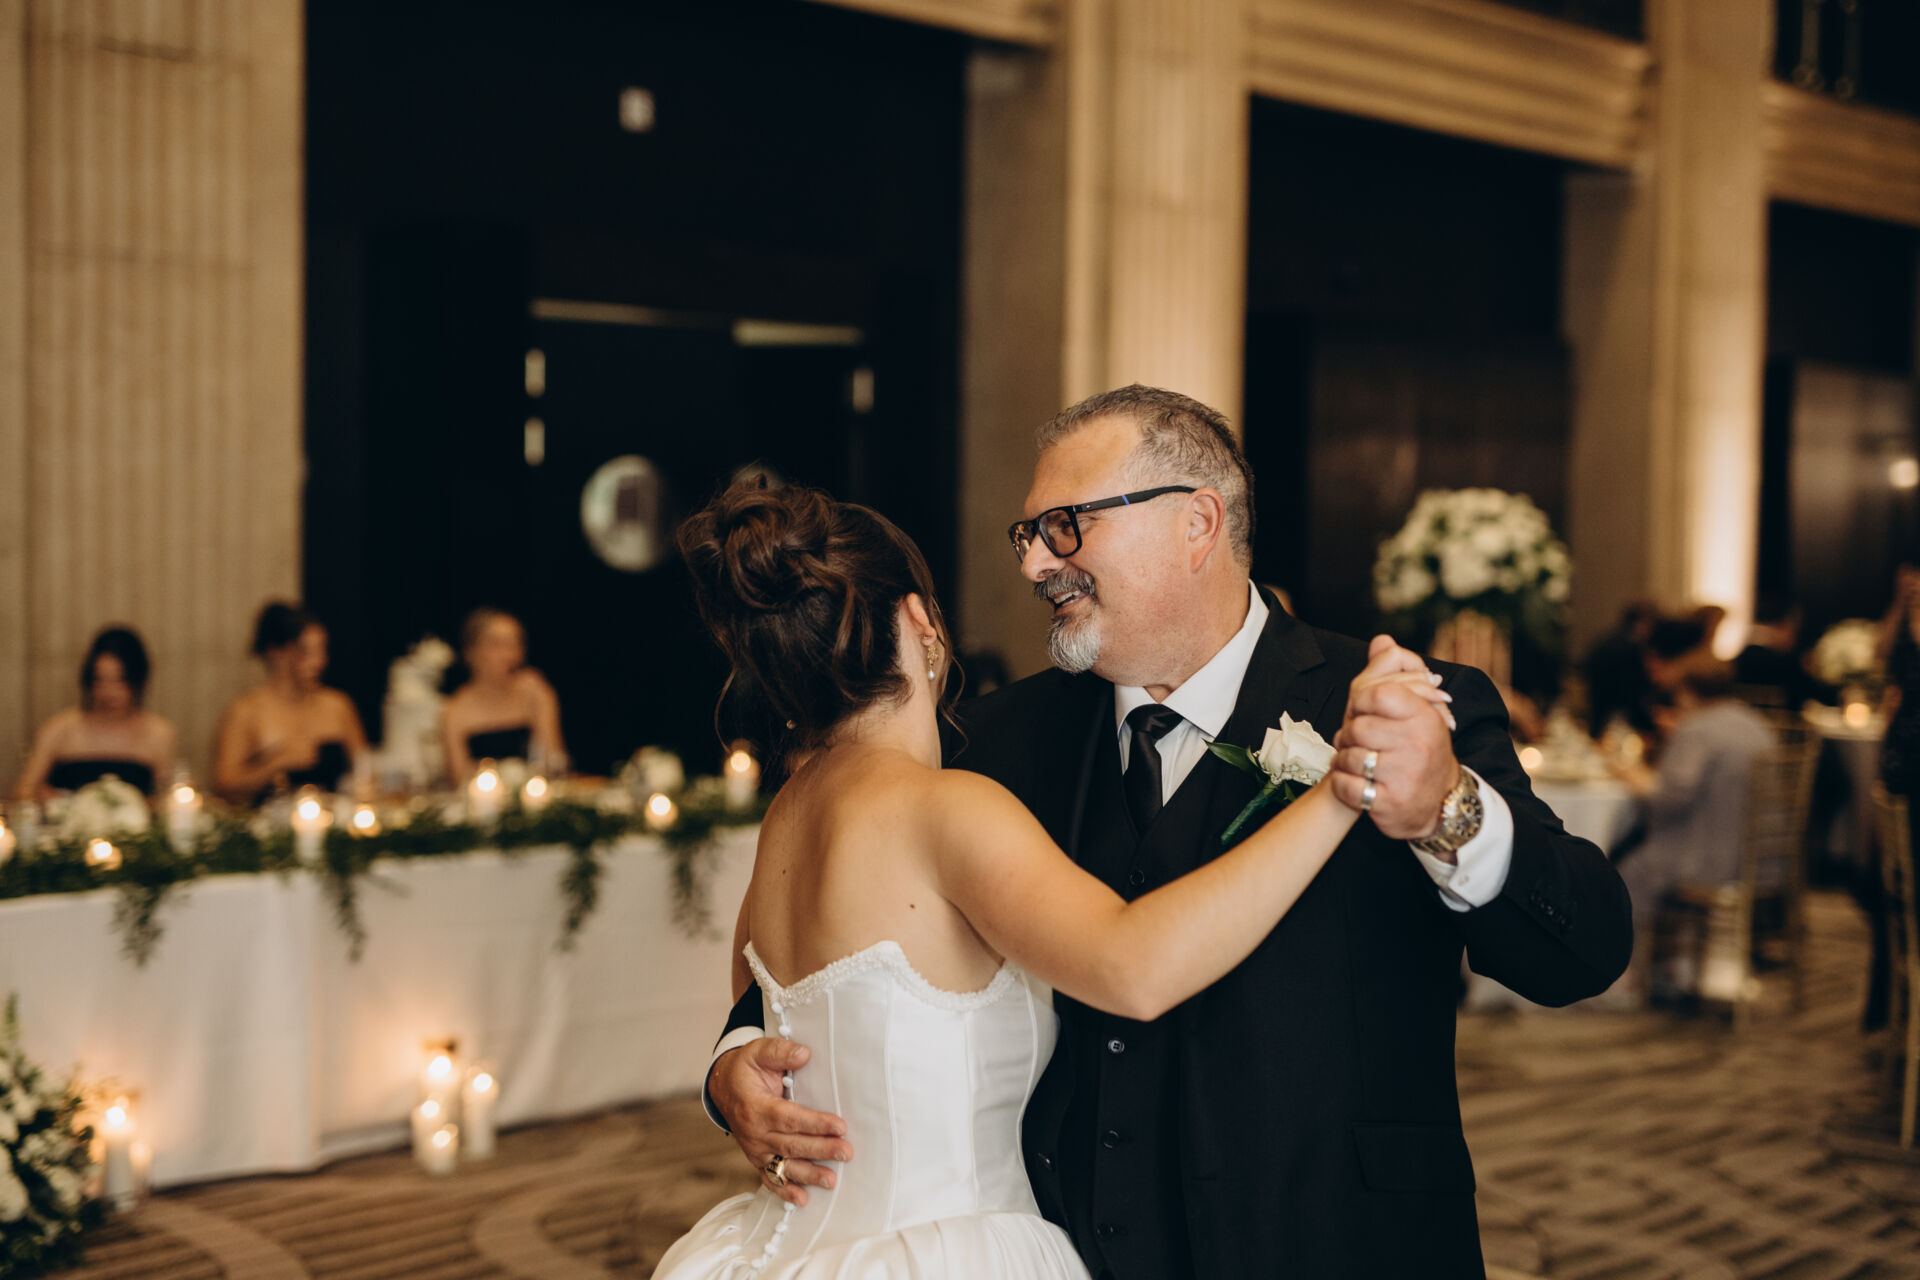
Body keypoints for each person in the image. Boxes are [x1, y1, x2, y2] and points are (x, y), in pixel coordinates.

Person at [706, 386, 1633, 1279]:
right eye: (1028, 535)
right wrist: (733, 1068)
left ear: (1197, 523)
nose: (1035, 565)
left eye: (1066, 525)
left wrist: (1444, 808)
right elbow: (847, 960)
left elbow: (1583, 950)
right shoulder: (988, 742)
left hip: (1337, 1244)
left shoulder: (1399, 708)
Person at [653, 479, 1451, 1279]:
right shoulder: (945, 806)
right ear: (921, 621)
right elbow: (1133, 968)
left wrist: (732, 1066)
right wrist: (1343, 788)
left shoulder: (786, 815)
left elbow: (759, 1008)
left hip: (788, 1249)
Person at [1609, 644, 1776, 999]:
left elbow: (1670, 797)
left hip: (1707, 859)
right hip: (1761, 858)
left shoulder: (1697, 730)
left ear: (1686, 691)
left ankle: (1622, 977)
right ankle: (1676, 967)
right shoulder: (1756, 724)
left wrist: (1630, 775)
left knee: (1622, 874)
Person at [212, 602, 367, 804]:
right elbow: (223, 784)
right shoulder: (247, 711)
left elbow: (365, 771)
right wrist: (277, 763)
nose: (319, 662)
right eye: (306, 652)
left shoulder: (338, 705)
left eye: (322, 651)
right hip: (270, 818)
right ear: (277, 653)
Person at [14, 627, 176, 801]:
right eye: (100, 680)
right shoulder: (60, 728)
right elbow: (23, 791)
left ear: (137, 681)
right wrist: (49, 798)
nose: (109, 693)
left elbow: (167, 798)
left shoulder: (158, 733)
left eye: (120, 681)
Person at [439, 608, 565, 781]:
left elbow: (554, 763)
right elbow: (460, 780)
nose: (509, 655)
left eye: (515, 644)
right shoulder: (454, 710)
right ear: (470, 652)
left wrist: (541, 702)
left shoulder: (534, 693)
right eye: (496, 645)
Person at [1582, 600, 1659, 738]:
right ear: (1641, 623)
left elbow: (1586, 665)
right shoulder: (1632, 647)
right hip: (1619, 709)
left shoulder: (1608, 640)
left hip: (1598, 700)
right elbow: (1633, 689)